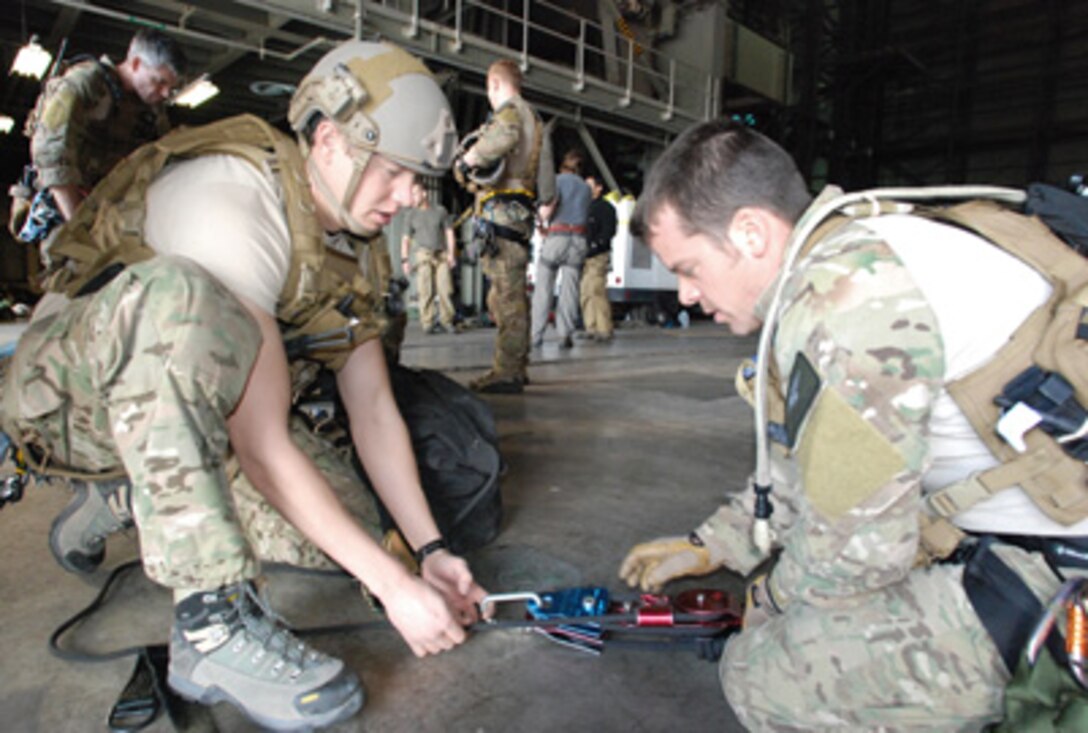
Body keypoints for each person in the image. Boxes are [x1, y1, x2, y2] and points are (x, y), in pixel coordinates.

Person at [0, 40, 486, 731]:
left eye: (421, 181)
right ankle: (209, 627)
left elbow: (374, 409)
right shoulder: (236, 200)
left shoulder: (350, 247)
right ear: (329, 141)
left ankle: (124, 498)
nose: (411, 198)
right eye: (399, 173)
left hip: (176, 410)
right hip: (63, 400)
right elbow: (259, 443)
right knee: (185, 302)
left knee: (344, 536)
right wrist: (394, 588)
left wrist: (426, 554)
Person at [618, 119, 1087, 730]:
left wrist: (773, 599)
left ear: (750, 233)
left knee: (762, 671)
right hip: (1037, 530)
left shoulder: (849, 296)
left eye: (689, 266)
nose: (683, 294)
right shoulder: (870, 241)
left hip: (1058, 574)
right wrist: (720, 542)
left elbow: (857, 555)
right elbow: (818, 456)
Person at [11, 29, 186, 242]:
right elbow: (52, 159)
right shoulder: (84, 84)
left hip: (108, 206)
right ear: (136, 64)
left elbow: (163, 154)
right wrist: (80, 228)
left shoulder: (152, 108)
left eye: (171, 87)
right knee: (72, 264)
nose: (166, 93)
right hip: (64, 202)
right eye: (159, 81)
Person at [454, 58, 546, 394]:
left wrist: (469, 160)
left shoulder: (510, 113)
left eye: (489, 90)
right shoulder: (535, 121)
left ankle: (507, 372)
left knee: (508, 297)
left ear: (494, 84)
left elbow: (502, 137)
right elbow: (546, 180)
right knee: (504, 295)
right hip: (519, 216)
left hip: (503, 216)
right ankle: (516, 364)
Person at [531, 149, 590, 350]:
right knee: (570, 291)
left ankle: (536, 335)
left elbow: (548, 210)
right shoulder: (586, 188)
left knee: (544, 288)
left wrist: (539, 221)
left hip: (558, 237)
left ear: (562, 165)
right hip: (579, 241)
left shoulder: (556, 181)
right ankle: (565, 334)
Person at [400, 181, 458, 335]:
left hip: (441, 255)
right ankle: (428, 322)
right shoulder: (410, 215)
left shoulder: (440, 211)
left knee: (445, 289)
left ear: (424, 193)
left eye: (415, 193)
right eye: (410, 194)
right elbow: (405, 239)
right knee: (425, 290)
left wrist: (452, 254)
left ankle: (447, 321)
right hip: (423, 255)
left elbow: (449, 233)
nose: (412, 197)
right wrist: (404, 260)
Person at [578, 174, 617, 342]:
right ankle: (591, 327)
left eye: (590, 185)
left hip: (598, 256)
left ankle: (604, 328)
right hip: (584, 256)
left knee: (596, 290)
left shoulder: (605, 208)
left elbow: (609, 231)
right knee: (585, 292)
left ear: (599, 188)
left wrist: (596, 245)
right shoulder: (583, 206)